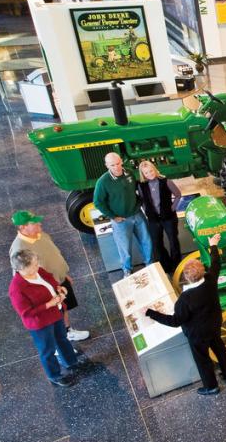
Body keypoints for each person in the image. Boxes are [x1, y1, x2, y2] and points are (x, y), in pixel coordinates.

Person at [145, 234, 226, 395]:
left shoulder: (185, 299)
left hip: (197, 333)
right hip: (214, 325)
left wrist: (151, 313)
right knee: (220, 349)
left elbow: (175, 321)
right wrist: (213, 244)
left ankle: (211, 386)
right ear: (202, 271)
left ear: (187, 277)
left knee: (203, 359)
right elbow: (216, 263)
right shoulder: (210, 279)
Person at [9, 210, 89, 344]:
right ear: (23, 227)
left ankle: (68, 332)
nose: (39, 223)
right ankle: (58, 343)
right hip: (46, 288)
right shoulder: (19, 249)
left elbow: (54, 256)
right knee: (53, 315)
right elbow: (22, 275)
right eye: (34, 223)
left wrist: (63, 274)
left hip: (59, 280)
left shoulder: (41, 235)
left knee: (63, 308)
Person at [10, 249, 83, 387]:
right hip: (41, 323)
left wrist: (59, 288)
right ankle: (55, 375)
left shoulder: (38, 270)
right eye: (34, 265)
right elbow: (26, 313)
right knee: (47, 350)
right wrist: (49, 304)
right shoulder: (17, 289)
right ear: (22, 268)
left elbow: (50, 278)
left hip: (55, 313)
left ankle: (71, 362)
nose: (38, 266)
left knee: (62, 339)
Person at [94, 152, 152, 274]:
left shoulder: (129, 173)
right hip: (121, 220)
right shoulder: (103, 182)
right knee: (124, 248)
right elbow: (98, 202)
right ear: (107, 165)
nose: (116, 167)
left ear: (121, 161)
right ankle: (127, 270)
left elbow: (137, 188)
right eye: (112, 165)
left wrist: (140, 202)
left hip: (137, 214)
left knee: (146, 241)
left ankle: (149, 264)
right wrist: (113, 217)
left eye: (118, 163)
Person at [137, 161, 182, 273]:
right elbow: (142, 200)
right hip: (153, 219)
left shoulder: (166, 181)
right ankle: (166, 266)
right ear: (143, 175)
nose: (150, 174)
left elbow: (178, 195)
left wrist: (172, 208)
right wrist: (146, 210)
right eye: (146, 173)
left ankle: (176, 266)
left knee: (173, 241)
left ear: (155, 169)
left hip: (169, 218)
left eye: (151, 171)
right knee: (157, 244)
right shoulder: (141, 185)